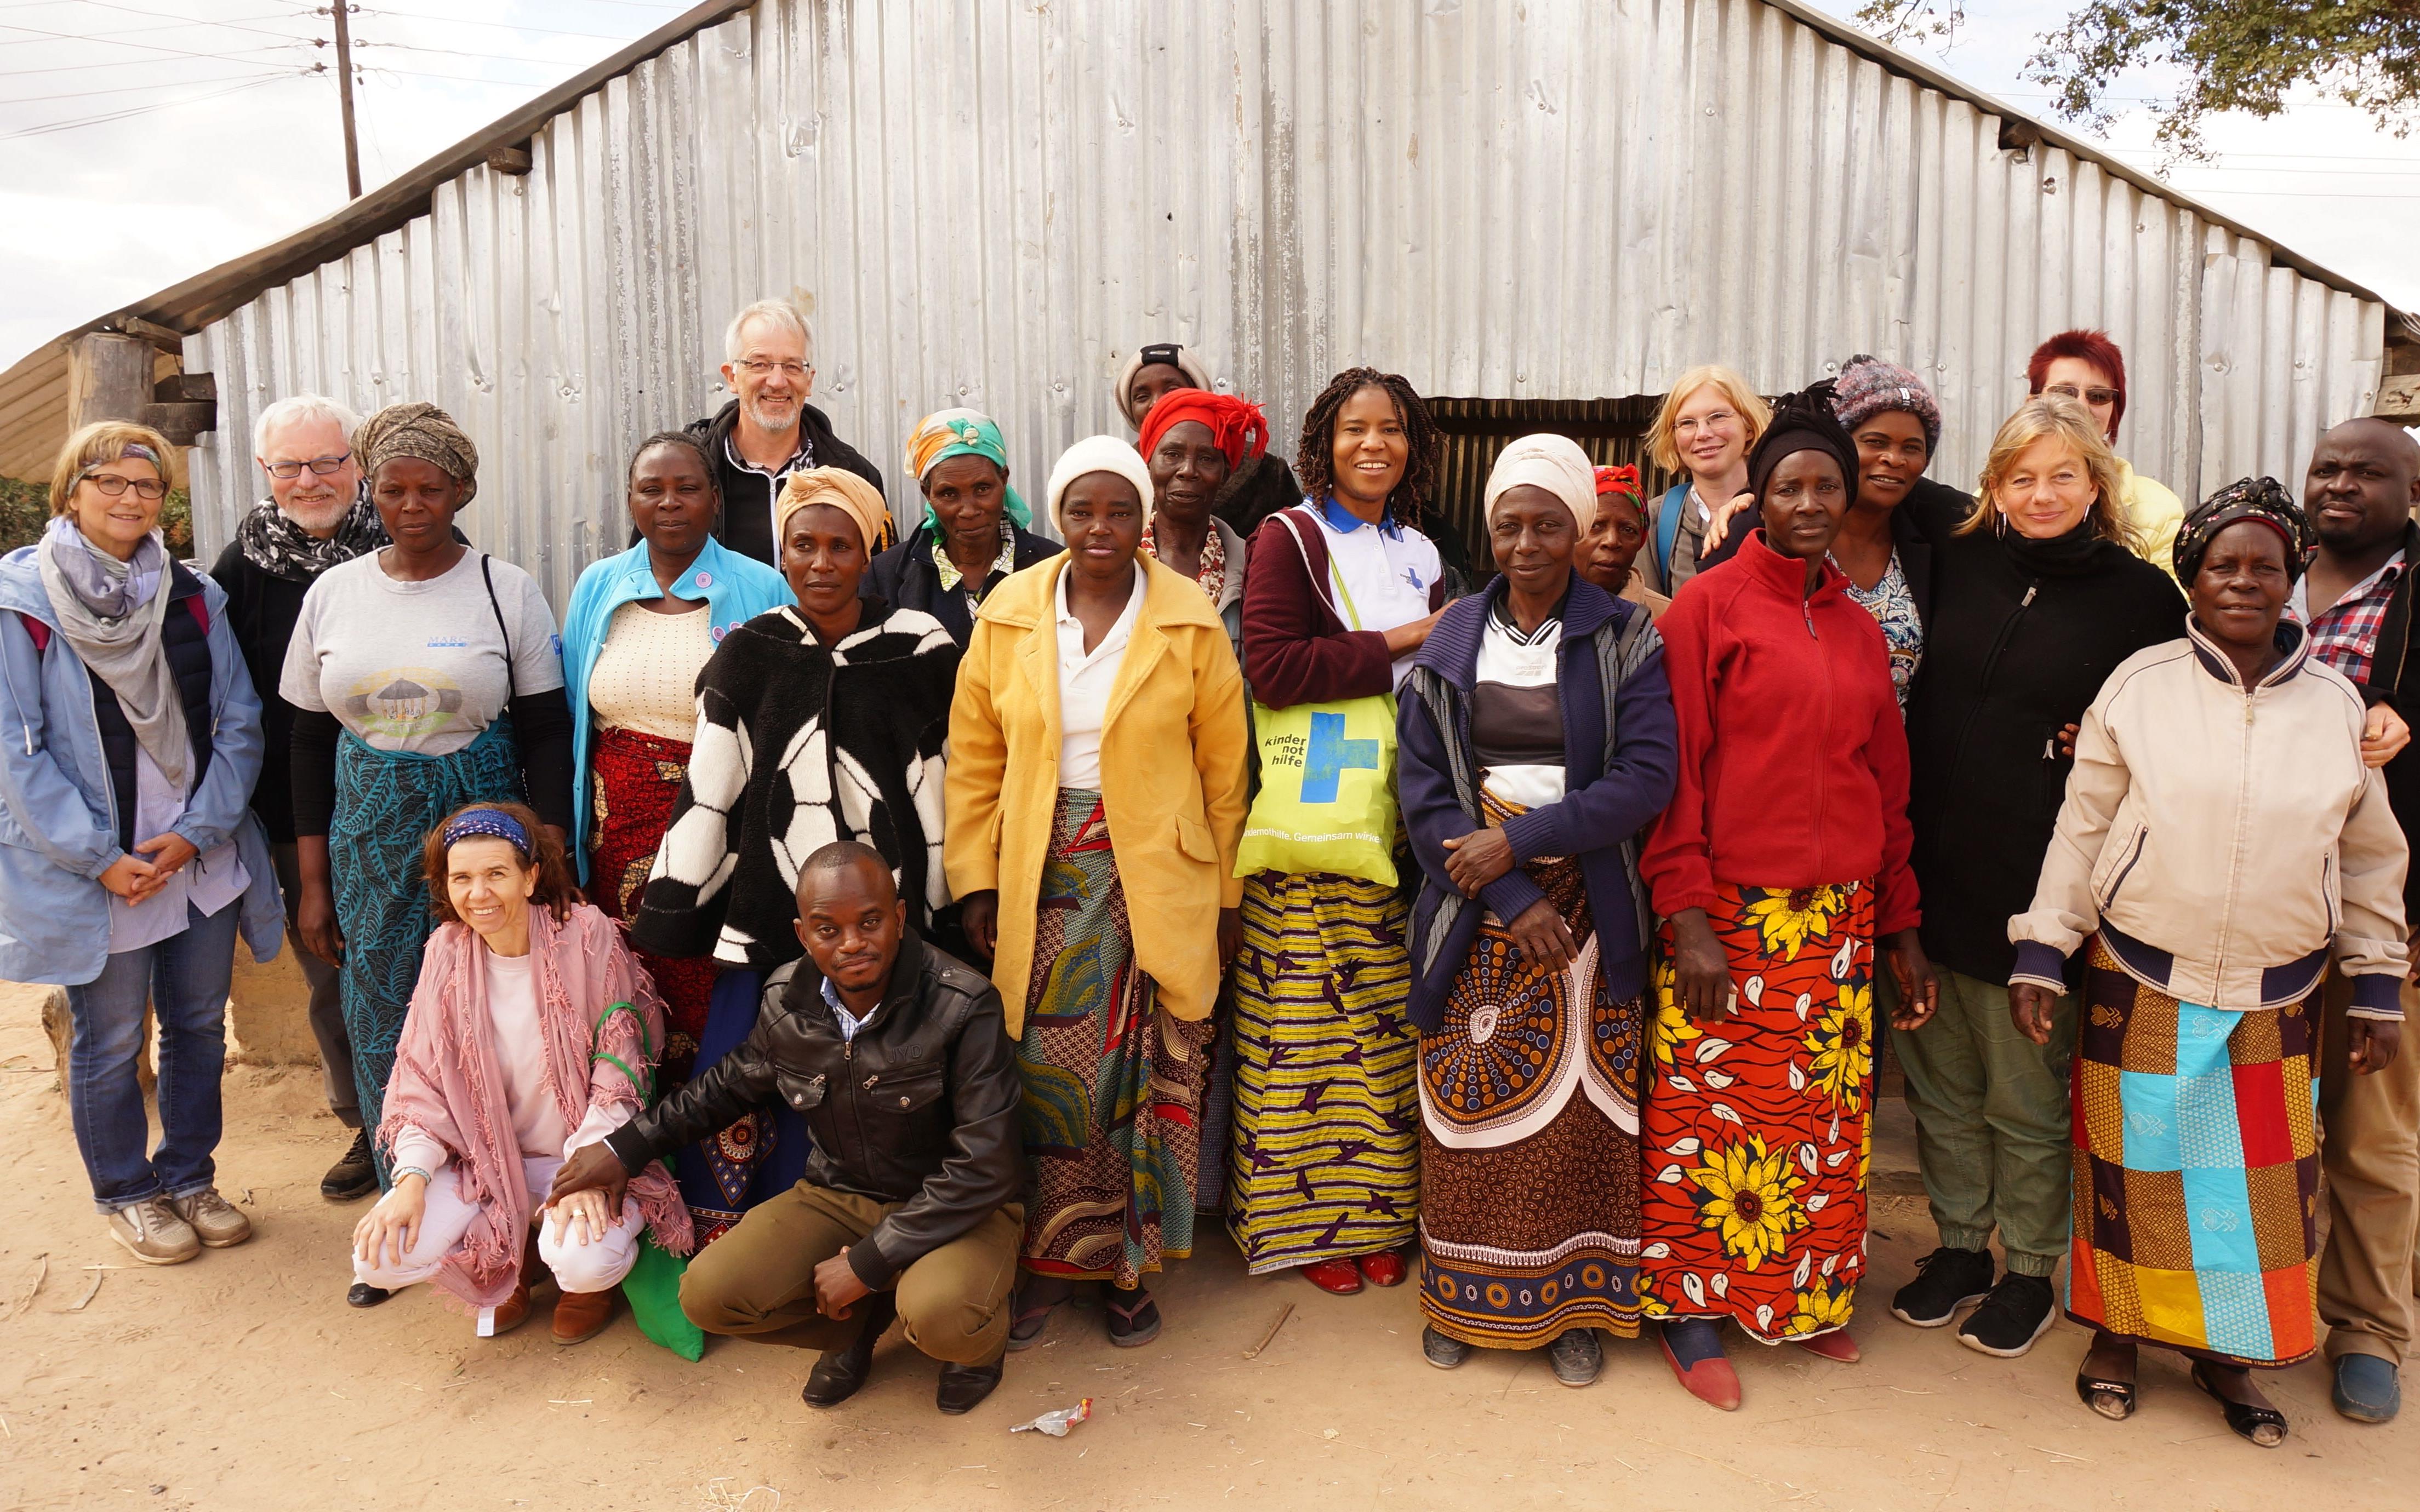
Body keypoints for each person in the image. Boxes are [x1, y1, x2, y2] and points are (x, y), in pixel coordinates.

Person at [2009, 478, 2410, 1448]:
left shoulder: (2334, 705)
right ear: (2190, 578)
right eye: (2221, 565)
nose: (2241, 582)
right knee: (2128, 1173)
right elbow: (2084, 825)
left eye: (2262, 567)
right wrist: (2042, 949)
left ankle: (2227, 1356)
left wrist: (2377, 985)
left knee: (2255, 1194)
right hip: (2140, 973)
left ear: (2292, 579)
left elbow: (2366, 857)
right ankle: (2114, 1338)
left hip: (2277, 991)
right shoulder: (2139, 687)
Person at [1638, 389, 1939, 1411]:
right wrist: (1686, 916)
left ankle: (1800, 1298)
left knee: (1816, 1124)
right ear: (1757, 501)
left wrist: (1899, 925)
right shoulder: (1705, 611)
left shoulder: (1857, 632)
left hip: (1837, 925)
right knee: (1707, 1118)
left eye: (1826, 486)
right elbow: (1674, 772)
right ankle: (1692, 1311)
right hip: (1729, 915)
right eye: (1789, 487)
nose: (1809, 502)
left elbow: (1885, 790)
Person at [1886, 395, 2188, 1356]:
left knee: (2024, 1094)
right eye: (2020, 477)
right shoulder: (1954, 561)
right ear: (1994, 489)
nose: (2041, 493)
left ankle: (2029, 1270)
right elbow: (1863, 474)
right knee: (1940, 1085)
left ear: (2096, 482)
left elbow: (2186, 713)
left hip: (2040, 889)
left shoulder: (2141, 600)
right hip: (1932, 876)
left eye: (2062, 474)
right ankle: (1961, 1247)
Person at [945, 436, 1251, 1349]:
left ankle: (1130, 1267)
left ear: (1144, 517)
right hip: (1041, 873)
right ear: (1057, 518)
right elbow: (974, 761)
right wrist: (975, 878)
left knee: (1153, 1074)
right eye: (1083, 511)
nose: (1102, 529)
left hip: (1154, 875)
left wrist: (1228, 897)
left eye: (1121, 510)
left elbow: (1225, 772)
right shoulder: (1007, 614)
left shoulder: (1188, 617)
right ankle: (1045, 1265)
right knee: (1048, 1079)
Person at [1395, 434, 1678, 1385]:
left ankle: (1574, 1310)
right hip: (1472, 904)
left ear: (1579, 531)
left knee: (1585, 1115)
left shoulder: (1625, 636)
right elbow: (1426, 796)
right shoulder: (1449, 642)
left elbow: (1647, 779)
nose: (1527, 543)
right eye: (1509, 524)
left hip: (1592, 905)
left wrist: (1517, 840)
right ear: (1489, 532)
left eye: (1548, 524)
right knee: (1466, 1103)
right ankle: (1457, 1300)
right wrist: (1509, 890)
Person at [553, 843, 1023, 1414]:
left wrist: (868, 1261)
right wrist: (624, 1149)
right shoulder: (787, 998)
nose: (852, 943)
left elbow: (986, 1164)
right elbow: (726, 1087)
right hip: (840, 1196)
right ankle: (855, 1329)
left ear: (899, 918)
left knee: (939, 1314)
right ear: (804, 935)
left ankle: (977, 1346)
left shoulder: (962, 1001)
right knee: (708, 1296)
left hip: (958, 1207)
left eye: (870, 921)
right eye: (829, 929)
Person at [281, 403, 574, 1296]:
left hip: (482, 813)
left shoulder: (504, 588)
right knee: (382, 1009)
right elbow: (299, 740)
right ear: (371, 492)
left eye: (430, 489)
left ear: (461, 492)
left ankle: (498, 1202)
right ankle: (399, 1210)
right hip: (369, 824)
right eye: (393, 488)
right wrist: (313, 880)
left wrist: (550, 843)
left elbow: (546, 729)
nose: (411, 505)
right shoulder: (333, 593)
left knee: (488, 1006)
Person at [634, 466, 957, 1242]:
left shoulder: (920, 647)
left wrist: (953, 899)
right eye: (802, 545)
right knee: (759, 1067)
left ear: (869, 549)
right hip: (776, 916)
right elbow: (713, 784)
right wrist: (677, 905)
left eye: (839, 546)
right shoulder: (753, 651)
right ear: (781, 552)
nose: (820, 562)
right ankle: (747, 1237)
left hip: (893, 921)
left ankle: (888, 1235)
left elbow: (948, 784)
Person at [0, 422, 285, 1265]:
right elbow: (17, 752)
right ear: (71, 490)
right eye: (110, 481)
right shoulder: (23, 603)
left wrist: (195, 836)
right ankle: (127, 1192)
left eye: (148, 485)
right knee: (113, 1036)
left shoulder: (191, 593)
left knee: (198, 1023)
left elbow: (239, 722)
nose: (130, 498)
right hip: (101, 869)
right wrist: (100, 857)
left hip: (194, 858)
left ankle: (190, 1175)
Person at [1230, 366, 1453, 1291]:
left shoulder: (1424, 552)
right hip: (1317, 817)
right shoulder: (1290, 537)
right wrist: (1409, 639)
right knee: (1305, 1021)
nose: (1375, 444)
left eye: (1392, 428)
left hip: (1404, 811)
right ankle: (1309, 1227)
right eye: (1356, 427)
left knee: (1381, 1021)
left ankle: (1378, 1215)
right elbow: (1274, 669)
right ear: (1324, 441)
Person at [350, 805, 693, 1341]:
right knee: (379, 1261)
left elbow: (622, 1065)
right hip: (490, 1167)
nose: (479, 894)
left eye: (496, 875)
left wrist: (591, 1166)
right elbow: (419, 1080)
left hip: (580, 1155)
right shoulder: (446, 951)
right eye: (461, 878)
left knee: (584, 1261)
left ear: (531, 875)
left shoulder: (586, 936)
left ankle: (585, 1285)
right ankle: (517, 1252)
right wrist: (412, 1179)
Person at [560, 432, 791, 1085]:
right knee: (625, 987)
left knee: (712, 985)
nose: (669, 502)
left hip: (721, 831)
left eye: (687, 487)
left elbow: (781, 717)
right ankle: (630, 1140)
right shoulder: (599, 586)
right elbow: (576, 715)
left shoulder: (759, 585)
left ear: (715, 500)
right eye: (651, 489)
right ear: (630, 500)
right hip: (614, 833)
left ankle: (711, 1160)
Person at [209, 393, 387, 1202]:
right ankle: (364, 1124)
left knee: (423, 960)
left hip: (408, 796)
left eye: (328, 461)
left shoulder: (410, 535)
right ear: (265, 472)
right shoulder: (240, 568)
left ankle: (437, 1120)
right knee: (332, 970)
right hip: (296, 808)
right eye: (291, 466)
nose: (311, 480)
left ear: (358, 462)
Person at [2292, 417, 2420, 1424]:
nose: (2340, 486)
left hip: (2383, 914)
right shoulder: (2262, 571)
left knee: (2372, 1131)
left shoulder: (2412, 597)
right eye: (2327, 468)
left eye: (2366, 473)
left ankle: (2367, 1327)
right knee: (2252, 1123)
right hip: (2258, 907)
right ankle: (2247, 1307)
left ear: (2409, 492)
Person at [688, 298, 885, 569]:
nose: (778, 382)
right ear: (731, 377)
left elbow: (879, 584)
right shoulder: (688, 476)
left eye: (793, 366)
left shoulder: (855, 476)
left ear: (810, 380)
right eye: (759, 364)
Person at [865, 409, 1057, 647]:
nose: (968, 510)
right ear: (927, 493)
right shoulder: (884, 576)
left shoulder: (1054, 567)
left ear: (1004, 480)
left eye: (983, 489)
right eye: (949, 494)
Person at [2025, 329, 2184, 580]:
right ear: (2032, 404)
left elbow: (2172, 610)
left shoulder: (2158, 510)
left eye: (2098, 396)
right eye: (2064, 393)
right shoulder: (1990, 499)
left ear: (2114, 412)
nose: (2080, 406)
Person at [1120, 345, 1304, 541]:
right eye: (1142, 396)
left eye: (1172, 391)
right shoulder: (1119, 474)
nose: (1156, 403)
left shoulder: (1266, 472)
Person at [1138, 389, 1267, 648]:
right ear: (1149, 464)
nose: (1187, 471)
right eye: (1172, 454)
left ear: (1225, 475)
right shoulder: (1116, 560)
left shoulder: (1255, 570)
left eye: (1207, 459)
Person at [1639, 365, 1771, 597]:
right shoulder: (1655, 520)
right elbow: (1647, 620)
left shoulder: (1782, 509)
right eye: (1687, 423)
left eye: (1718, 417)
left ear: (1749, 427)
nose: (1702, 434)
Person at [1578, 465, 1670, 620]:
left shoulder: (1668, 616)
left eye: (1628, 530)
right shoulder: (1531, 609)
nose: (1612, 541)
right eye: (1595, 526)